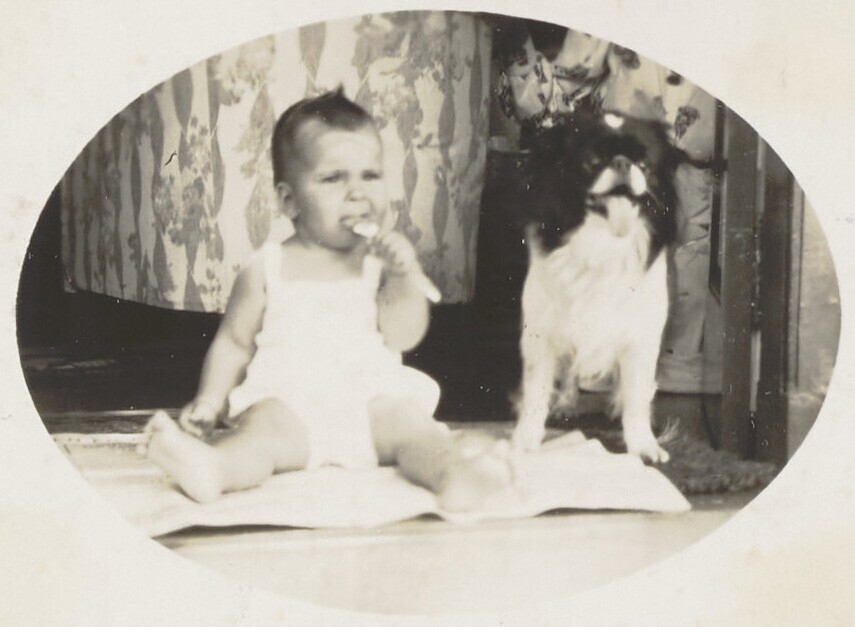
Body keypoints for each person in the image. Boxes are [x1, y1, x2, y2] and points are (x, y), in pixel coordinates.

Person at [138, 89, 513, 511]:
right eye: (333, 179)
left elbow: (403, 335)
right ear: (289, 201)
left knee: (414, 428)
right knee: (259, 436)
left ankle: (455, 474)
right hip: (288, 405)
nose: (357, 193)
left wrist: (404, 278)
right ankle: (213, 469)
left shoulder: (379, 265)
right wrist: (210, 399)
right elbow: (234, 344)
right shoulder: (266, 268)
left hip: (371, 402)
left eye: (370, 176)